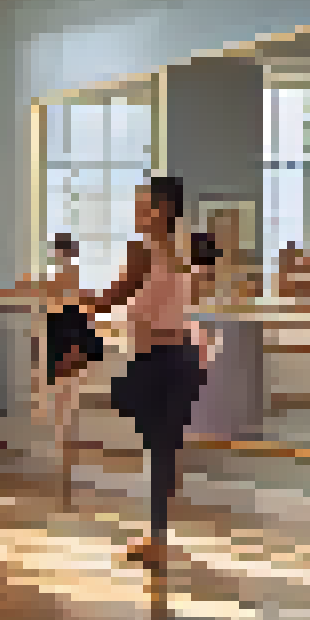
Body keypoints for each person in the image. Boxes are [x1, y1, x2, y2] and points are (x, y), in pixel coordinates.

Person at [75, 177, 206, 570]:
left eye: (143, 205)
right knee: (161, 448)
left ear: (163, 209)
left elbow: (114, 296)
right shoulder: (185, 250)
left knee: (145, 428)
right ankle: (157, 536)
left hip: (157, 360)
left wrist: (77, 300)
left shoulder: (143, 250)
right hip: (181, 357)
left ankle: (156, 535)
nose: (136, 212)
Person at [2, 232, 103, 506]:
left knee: (64, 417)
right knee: (66, 417)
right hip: (70, 349)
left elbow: (25, 291)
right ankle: (66, 480)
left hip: (64, 351)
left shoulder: (59, 282)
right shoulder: (74, 283)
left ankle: (66, 482)